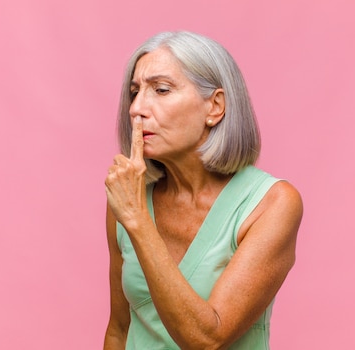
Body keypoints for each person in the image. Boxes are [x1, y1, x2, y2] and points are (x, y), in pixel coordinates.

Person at [103, 31, 303, 349]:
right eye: (134, 92)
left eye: (161, 90)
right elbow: (120, 327)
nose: (136, 109)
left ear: (215, 107)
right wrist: (131, 211)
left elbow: (208, 339)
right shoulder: (129, 198)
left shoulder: (273, 203)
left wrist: (138, 221)